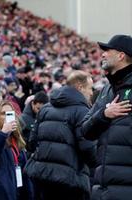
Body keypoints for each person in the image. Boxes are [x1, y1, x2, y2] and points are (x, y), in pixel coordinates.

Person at [25, 70, 96, 200]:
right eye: (90, 88)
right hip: (69, 181)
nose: (92, 93)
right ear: (80, 87)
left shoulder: (45, 108)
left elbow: (31, 143)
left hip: (42, 176)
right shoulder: (82, 111)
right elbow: (88, 148)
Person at [81, 34, 132, 200]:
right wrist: (104, 115)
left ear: (121, 55)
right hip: (102, 186)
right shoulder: (106, 91)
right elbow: (85, 130)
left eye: (107, 50)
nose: (102, 54)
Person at [0, 100, 33, 200]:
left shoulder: (15, 136)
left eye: (9, 114)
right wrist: (3, 133)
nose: (7, 117)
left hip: (17, 189)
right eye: (3, 114)